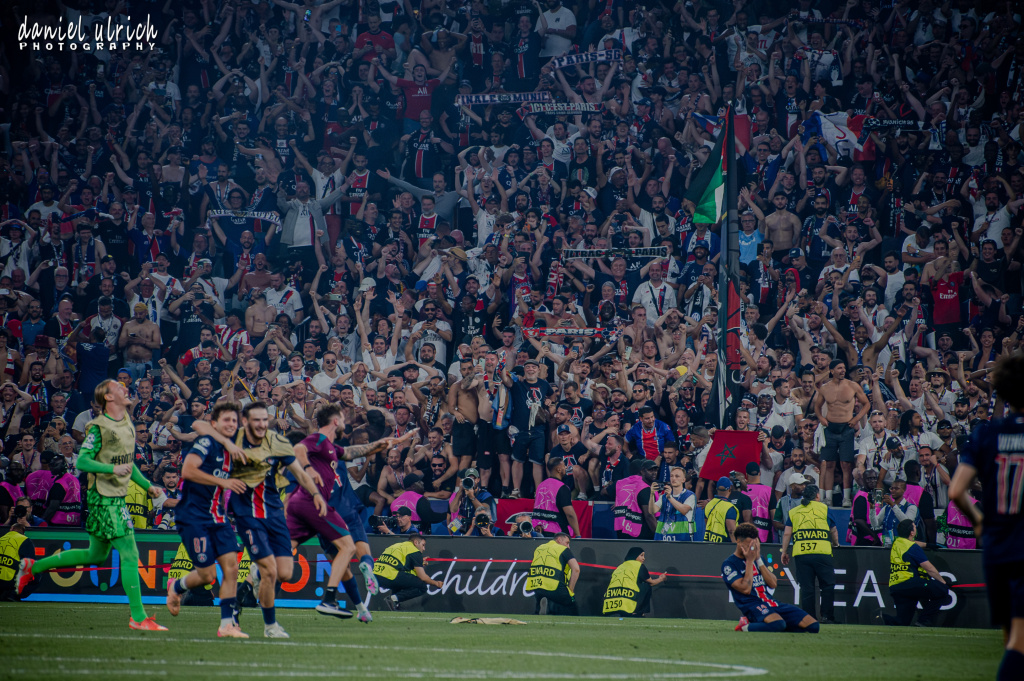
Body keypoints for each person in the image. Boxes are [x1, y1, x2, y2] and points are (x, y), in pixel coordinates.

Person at [16, 379, 167, 630]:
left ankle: (35, 566)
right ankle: (138, 617)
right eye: (119, 387)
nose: (125, 389)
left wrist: (147, 485)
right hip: (104, 500)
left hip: (113, 498)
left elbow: (128, 465)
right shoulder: (99, 427)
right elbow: (83, 461)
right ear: (108, 397)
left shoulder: (127, 423)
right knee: (130, 554)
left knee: (95, 555)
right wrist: (112, 469)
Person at [949, 353, 1024, 680]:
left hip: (996, 545)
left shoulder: (985, 433)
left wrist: (979, 522)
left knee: (1010, 638)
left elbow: (956, 491)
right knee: (1020, 642)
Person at [289, 404, 389, 618]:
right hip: (344, 508)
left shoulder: (326, 453)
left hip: (326, 512)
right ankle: (362, 575)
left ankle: (358, 607)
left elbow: (351, 450)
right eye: (342, 419)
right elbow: (353, 450)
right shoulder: (326, 448)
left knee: (341, 565)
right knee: (360, 552)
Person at [165, 401, 248, 638]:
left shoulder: (235, 448)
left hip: (217, 516)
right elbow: (188, 471)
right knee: (207, 575)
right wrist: (223, 482)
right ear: (215, 424)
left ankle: (226, 625)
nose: (231, 424)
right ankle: (177, 587)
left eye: (234, 420)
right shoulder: (207, 443)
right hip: (193, 516)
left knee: (231, 567)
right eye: (226, 420)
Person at [723, 522, 819, 633]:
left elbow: (773, 584)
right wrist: (749, 561)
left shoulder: (758, 558)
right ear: (738, 541)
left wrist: (758, 560)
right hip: (752, 606)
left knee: (813, 626)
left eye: (755, 544)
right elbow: (746, 589)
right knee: (778, 624)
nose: (752, 548)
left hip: (771, 602)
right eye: (749, 544)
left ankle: (773, 625)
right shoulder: (729, 564)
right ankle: (744, 627)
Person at [813, 359, 870, 508]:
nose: (843, 370)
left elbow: (866, 404)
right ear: (832, 371)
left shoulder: (853, 386)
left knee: (846, 464)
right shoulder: (825, 388)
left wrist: (856, 418)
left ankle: (846, 498)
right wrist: (821, 418)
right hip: (830, 428)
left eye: (844, 368)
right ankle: (828, 498)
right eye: (839, 368)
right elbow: (817, 406)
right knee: (829, 464)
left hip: (846, 428)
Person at [780, 485, 840, 624]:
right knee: (827, 585)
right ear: (817, 496)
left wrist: (784, 551)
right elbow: (833, 530)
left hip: (802, 554)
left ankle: (809, 619)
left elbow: (787, 533)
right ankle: (827, 617)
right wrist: (835, 544)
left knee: (807, 588)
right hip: (822, 553)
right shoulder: (824, 508)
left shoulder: (794, 511)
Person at [881, 519, 951, 627]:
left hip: (896, 587)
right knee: (942, 591)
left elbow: (912, 542)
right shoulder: (912, 548)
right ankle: (923, 620)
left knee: (902, 622)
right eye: (914, 527)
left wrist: (927, 544)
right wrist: (943, 582)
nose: (915, 528)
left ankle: (881, 617)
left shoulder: (897, 542)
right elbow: (929, 569)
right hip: (910, 583)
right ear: (912, 532)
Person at [373, 533, 443, 611]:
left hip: (375, 576)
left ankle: (393, 604)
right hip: (389, 575)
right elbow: (422, 577)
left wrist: (419, 562)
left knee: (402, 580)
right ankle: (393, 599)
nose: (424, 548)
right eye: (423, 545)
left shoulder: (396, 546)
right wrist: (436, 583)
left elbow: (400, 567)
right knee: (422, 586)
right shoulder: (415, 551)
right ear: (416, 542)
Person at [601, 547, 667, 617]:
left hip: (610, 605)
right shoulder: (638, 566)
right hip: (629, 602)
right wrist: (661, 579)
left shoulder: (620, 566)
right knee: (646, 585)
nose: (644, 558)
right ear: (635, 555)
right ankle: (638, 612)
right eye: (641, 555)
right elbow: (651, 582)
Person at [527, 532, 580, 616]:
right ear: (559, 540)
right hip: (554, 586)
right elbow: (576, 569)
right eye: (567, 543)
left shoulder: (539, 548)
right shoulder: (563, 549)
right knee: (571, 606)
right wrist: (570, 590)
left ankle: (542, 608)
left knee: (543, 608)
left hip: (537, 586)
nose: (568, 546)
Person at [531, 456, 581, 537]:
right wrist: (578, 534)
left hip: (540, 532)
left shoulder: (540, 486)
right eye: (564, 465)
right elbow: (570, 514)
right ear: (559, 469)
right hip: (558, 533)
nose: (566, 467)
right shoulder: (562, 487)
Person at [0, 502, 35, 600]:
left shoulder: (1, 537)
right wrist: (9, 519)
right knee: (34, 571)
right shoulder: (25, 540)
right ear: (23, 532)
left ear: (11, 529)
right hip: (10, 581)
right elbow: (30, 564)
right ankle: (13, 595)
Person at [651, 466, 696, 541]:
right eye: (671, 476)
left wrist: (670, 497)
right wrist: (651, 494)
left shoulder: (690, 495)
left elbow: (684, 510)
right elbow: (652, 511)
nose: (673, 478)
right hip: (663, 537)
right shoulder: (664, 496)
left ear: (683, 480)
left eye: (677, 476)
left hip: (682, 537)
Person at [703, 477, 739, 543]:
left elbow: (706, 524)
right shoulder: (729, 508)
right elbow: (731, 530)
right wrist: (736, 545)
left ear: (717, 489)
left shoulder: (709, 504)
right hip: (725, 544)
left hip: (710, 542)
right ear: (730, 489)